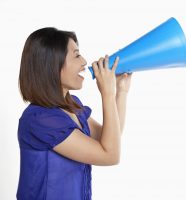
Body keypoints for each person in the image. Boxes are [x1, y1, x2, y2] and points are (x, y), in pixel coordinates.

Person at [17, 27, 132, 200]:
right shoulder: (39, 119)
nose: (85, 61)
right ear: (52, 64)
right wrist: (107, 93)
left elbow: (109, 137)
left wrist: (120, 92)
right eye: (77, 55)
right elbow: (110, 155)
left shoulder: (73, 105)